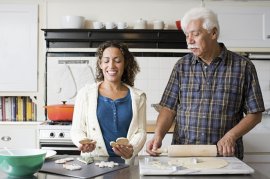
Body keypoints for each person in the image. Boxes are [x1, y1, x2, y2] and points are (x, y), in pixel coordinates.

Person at [146, 7, 265, 160]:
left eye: (195, 34)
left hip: (224, 155)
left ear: (213, 33)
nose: (189, 40)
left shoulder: (243, 67)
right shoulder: (181, 66)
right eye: (187, 35)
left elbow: (255, 114)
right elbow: (168, 109)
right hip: (184, 154)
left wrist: (231, 136)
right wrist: (158, 135)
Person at [71, 41, 147, 163]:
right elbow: (77, 129)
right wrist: (83, 141)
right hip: (93, 163)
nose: (111, 66)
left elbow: (141, 132)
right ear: (100, 64)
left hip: (127, 164)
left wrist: (131, 148)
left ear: (125, 64)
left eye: (117, 61)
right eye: (106, 61)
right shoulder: (85, 94)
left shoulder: (139, 96)